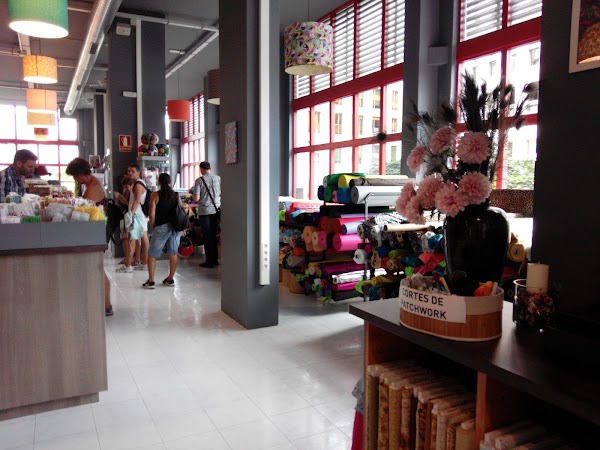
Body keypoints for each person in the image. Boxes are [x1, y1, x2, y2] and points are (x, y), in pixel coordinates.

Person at [65, 157, 114, 316]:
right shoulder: (92, 184)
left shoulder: (93, 187)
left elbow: (84, 212)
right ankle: (104, 304)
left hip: (96, 233)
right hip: (96, 231)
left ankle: (107, 305)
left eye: (75, 177)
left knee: (97, 267)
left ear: (80, 174)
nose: (76, 180)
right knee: (95, 266)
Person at [144, 173, 182, 289]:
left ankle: (151, 281)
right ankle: (170, 279)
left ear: (159, 182)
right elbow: (181, 211)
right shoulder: (176, 195)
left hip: (161, 226)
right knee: (173, 252)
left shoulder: (155, 195)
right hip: (175, 227)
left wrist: (152, 225)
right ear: (170, 182)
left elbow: (151, 214)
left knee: (152, 254)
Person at [117, 164, 149, 273]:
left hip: (137, 215)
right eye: (128, 171)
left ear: (138, 172)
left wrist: (131, 214)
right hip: (140, 215)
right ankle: (144, 264)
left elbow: (136, 201)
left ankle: (129, 266)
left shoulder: (138, 185)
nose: (130, 173)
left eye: (132, 171)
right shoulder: (137, 183)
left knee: (132, 239)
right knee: (142, 238)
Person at [193, 161, 221, 268]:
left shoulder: (199, 180)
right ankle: (215, 259)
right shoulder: (218, 178)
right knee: (214, 234)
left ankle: (209, 260)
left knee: (207, 235)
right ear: (210, 168)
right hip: (216, 210)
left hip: (204, 211)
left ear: (201, 169)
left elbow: (196, 198)